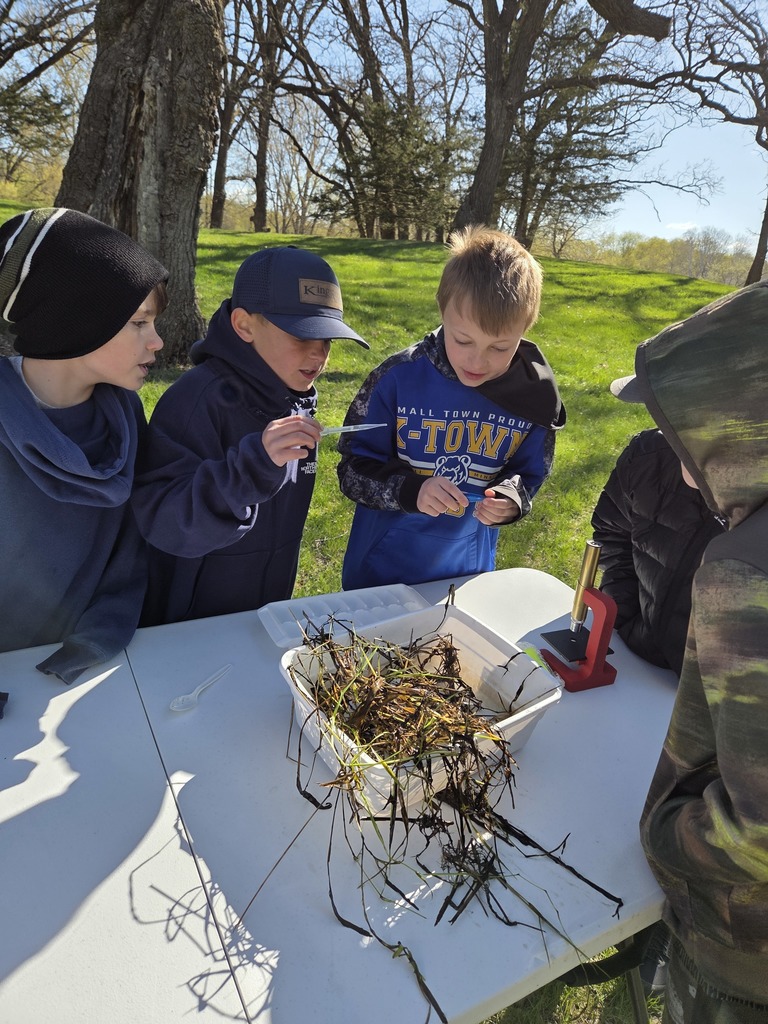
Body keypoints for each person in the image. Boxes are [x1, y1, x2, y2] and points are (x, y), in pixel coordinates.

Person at [613, 280, 768, 1022]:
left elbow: (756, 830)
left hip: (741, 950)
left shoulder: (748, 570)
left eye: (684, 437)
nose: (676, 462)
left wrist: (663, 836)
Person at [132, 245, 368, 625]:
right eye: (301, 336)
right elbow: (167, 521)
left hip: (264, 613)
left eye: (326, 340)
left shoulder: (294, 396)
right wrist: (252, 466)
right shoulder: (196, 401)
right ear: (244, 325)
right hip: (187, 623)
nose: (317, 355)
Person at [337, 225, 565, 590]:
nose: (478, 360)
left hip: (467, 575)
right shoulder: (398, 379)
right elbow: (352, 471)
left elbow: (529, 475)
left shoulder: (534, 397)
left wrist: (512, 500)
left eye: (500, 348)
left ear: (525, 331)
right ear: (442, 311)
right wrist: (411, 490)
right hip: (380, 574)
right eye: (463, 340)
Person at [0, 206, 168, 683]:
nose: (157, 342)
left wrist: (95, 638)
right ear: (74, 323)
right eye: (139, 322)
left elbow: (126, 557)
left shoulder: (125, 418)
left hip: (80, 679)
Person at [591, 427, 725, 678]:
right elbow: (613, 531)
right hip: (628, 655)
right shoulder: (650, 454)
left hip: (717, 694)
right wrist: (625, 611)